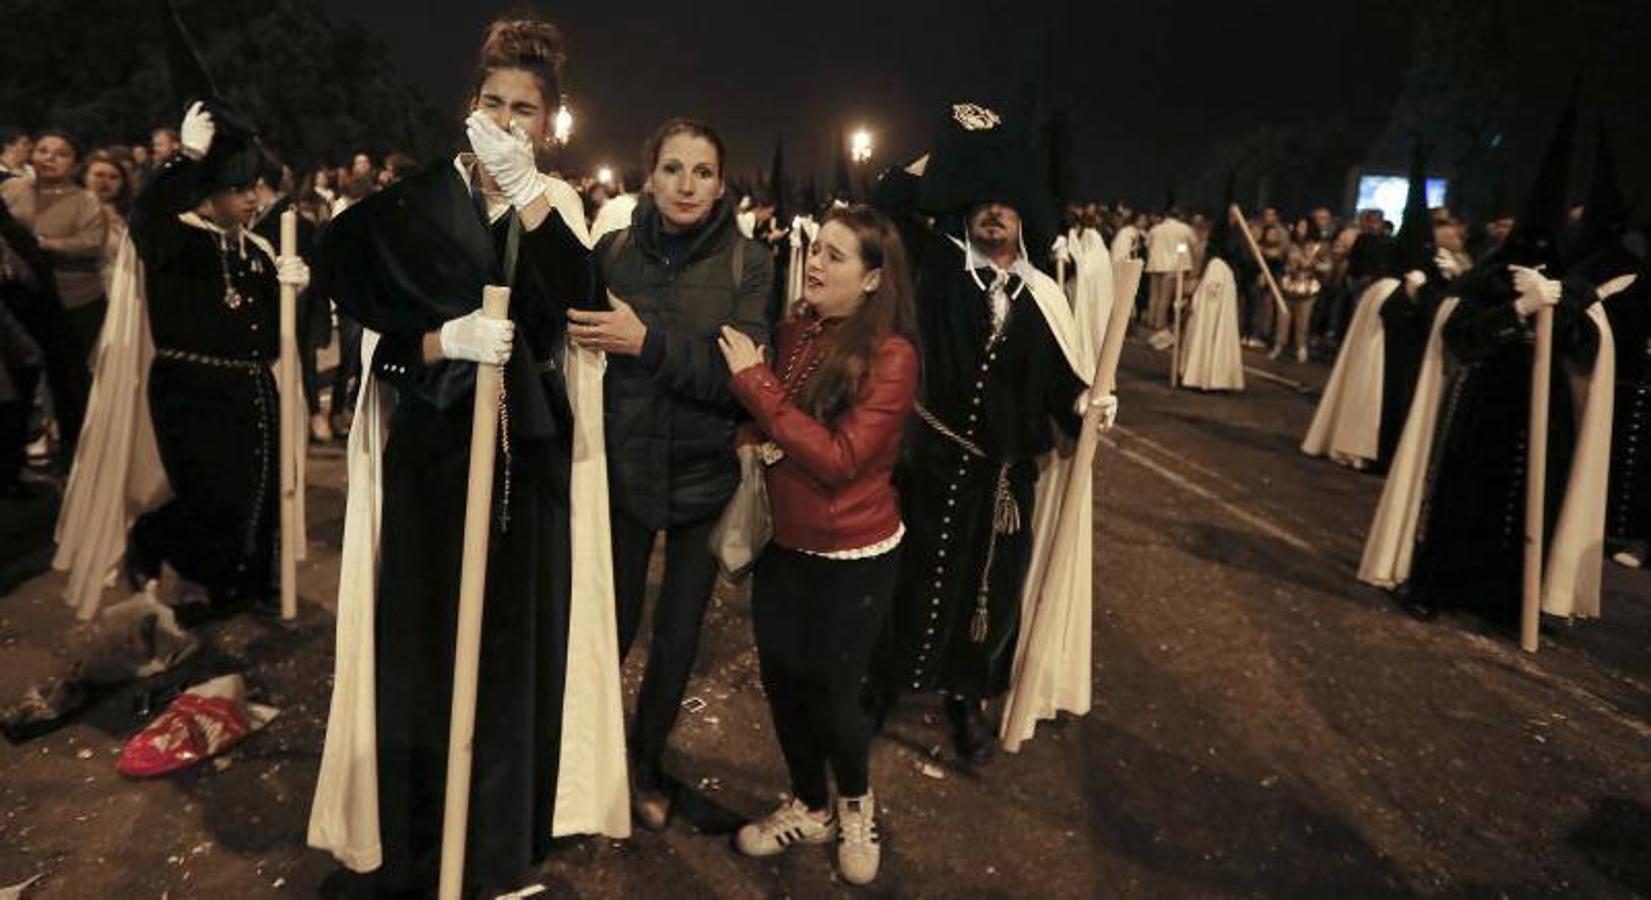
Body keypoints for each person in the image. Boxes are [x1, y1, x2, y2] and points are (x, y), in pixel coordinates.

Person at [308, 15, 629, 896]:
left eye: (526, 108)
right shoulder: (414, 203)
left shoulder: (556, 209)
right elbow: (379, 335)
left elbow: (583, 305)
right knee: (422, 655)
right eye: (494, 102)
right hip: (431, 459)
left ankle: (490, 853)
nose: (506, 119)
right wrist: (446, 339)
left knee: (504, 661)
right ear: (469, 106)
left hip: (523, 467)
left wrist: (529, 195)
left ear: (548, 123)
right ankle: (416, 853)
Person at [870, 102, 1116, 765]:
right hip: (924, 466)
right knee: (905, 580)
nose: (993, 212)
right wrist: (954, 156)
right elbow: (884, 197)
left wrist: (1088, 403)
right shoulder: (933, 269)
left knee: (986, 598)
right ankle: (882, 687)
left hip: (1000, 483)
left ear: (1025, 218)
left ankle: (964, 700)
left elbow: (1062, 389)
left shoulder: (1043, 299)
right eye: (980, 199)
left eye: (1007, 203)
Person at [568, 116, 772, 830]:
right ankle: (586, 766)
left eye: (703, 172)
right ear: (647, 176)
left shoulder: (751, 264)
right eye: (673, 168)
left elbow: (739, 380)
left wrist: (645, 343)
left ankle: (647, 759)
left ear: (721, 186)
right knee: (606, 627)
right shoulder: (610, 251)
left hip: (703, 481)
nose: (686, 185)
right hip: (618, 474)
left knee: (677, 636)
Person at [719, 205, 917, 886]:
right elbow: (772, 422)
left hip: (851, 552)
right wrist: (752, 436)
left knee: (833, 693)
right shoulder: (793, 330)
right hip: (785, 543)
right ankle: (808, 803)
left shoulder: (892, 355)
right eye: (814, 250)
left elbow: (839, 459)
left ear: (871, 278)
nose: (814, 263)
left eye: (835, 255)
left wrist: (755, 385)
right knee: (781, 683)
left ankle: (854, 804)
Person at [119, 96, 304, 617]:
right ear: (207, 195)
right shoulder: (173, 240)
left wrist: (291, 290)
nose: (252, 199)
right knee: (211, 495)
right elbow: (145, 213)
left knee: (261, 489)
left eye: (254, 188)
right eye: (238, 189)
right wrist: (185, 158)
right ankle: (161, 547)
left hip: (251, 386)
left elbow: (269, 337)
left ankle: (243, 581)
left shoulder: (255, 249)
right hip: (192, 389)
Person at [1, 130, 104, 466]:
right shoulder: (13, 189)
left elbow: (93, 242)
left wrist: (47, 244)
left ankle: (76, 450)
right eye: (43, 150)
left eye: (59, 153)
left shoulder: (85, 199)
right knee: (22, 375)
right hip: (23, 297)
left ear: (75, 163)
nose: (48, 158)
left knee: (69, 378)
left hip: (74, 300)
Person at [249, 157, 330, 442]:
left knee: (302, 358)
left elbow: (313, 265)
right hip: (273, 304)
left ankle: (313, 413)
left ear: (259, 184)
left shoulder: (291, 219)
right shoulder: (259, 217)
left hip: (296, 304)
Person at [1274, 218, 1329, 363]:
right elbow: (1282, 262)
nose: (1300, 229)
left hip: (1307, 289)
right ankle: (1279, 345)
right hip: (1288, 287)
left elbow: (1328, 265)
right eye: (1298, 226)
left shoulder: (1319, 247)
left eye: (1303, 226)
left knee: (1303, 321)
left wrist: (1313, 265)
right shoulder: (1290, 246)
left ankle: (1301, 348)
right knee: (1283, 319)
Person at [84, 149, 133, 296]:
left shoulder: (129, 215)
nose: (105, 182)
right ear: (85, 176)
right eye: (99, 175)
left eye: (114, 177)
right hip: (86, 289)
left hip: (121, 288)